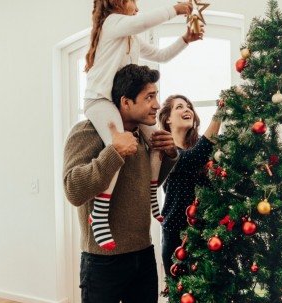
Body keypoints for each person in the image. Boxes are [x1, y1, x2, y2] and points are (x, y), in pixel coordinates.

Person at [64, 64, 178, 303]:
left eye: (156, 95)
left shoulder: (142, 137)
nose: (157, 104)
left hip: (143, 253)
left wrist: (170, 155)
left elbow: (141, 186)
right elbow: (73, 189)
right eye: (149, 97)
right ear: (125, 102)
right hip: (102, 261)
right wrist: (113, 151)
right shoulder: (86, 132)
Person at [84, 0, 204, 250]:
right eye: (133, 2)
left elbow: (161, 55)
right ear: (118, 3)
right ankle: (100, 212)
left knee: (158, 141)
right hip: (101, 100)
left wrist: (185, 39)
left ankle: (152, 199)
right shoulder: (113, 23)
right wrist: (177, 9)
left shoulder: (133, 39)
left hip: (120, 102)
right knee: (119, 146)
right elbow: (141, 21)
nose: (137, 7)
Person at [157, 94, 221, 276]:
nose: (187, 110)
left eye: (189, 107)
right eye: (179, 107)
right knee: (180, 296)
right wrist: (220, 112)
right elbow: (192, 158)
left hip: (208, 231)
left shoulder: (205, 147)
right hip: (177, 234)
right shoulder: (165, 150)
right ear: (167, 118)